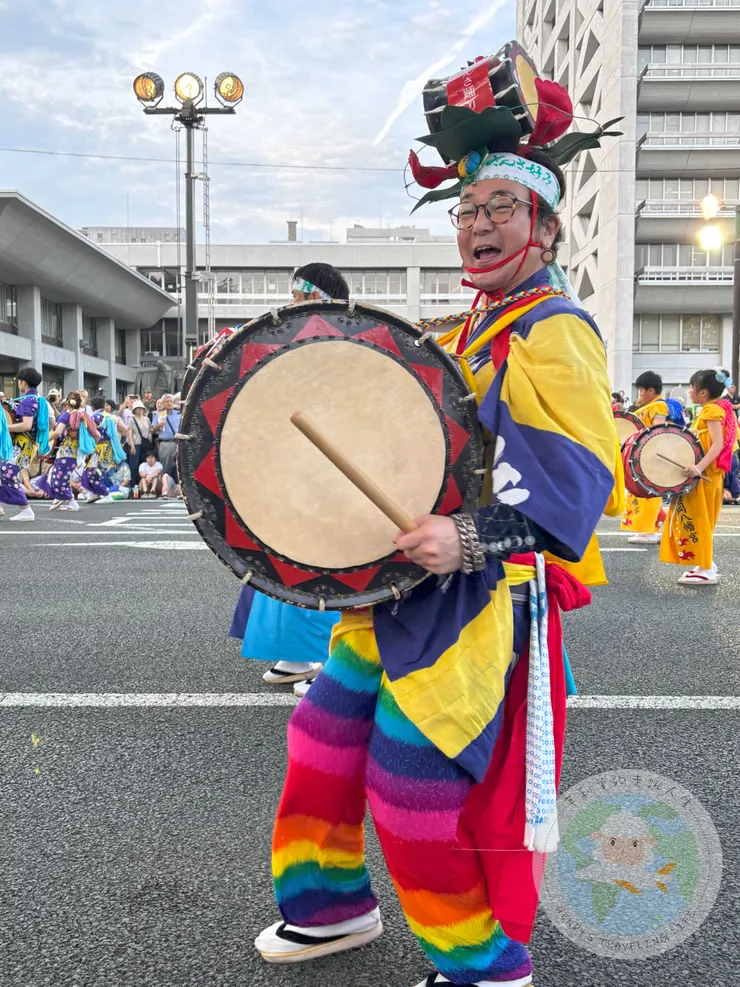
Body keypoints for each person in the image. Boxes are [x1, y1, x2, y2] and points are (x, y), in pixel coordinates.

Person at [254, 65, 622, 987]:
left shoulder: (554, 331)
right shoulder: (465, 328)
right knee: (322, 741)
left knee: (412, 786)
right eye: (466, 208)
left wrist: (467, 539)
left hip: (475, 602)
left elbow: (580, 486)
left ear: (542, 224)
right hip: (395, 590)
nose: (479, 225)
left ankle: (484, 963)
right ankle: (330, 905)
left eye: (502, 206)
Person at [231, 263, 351, 693]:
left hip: (330, 468)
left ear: (317, 297)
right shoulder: (303, 338)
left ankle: (326, 655)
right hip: (298, 464)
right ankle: (298, 653)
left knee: (318, 557)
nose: (290, 303)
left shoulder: (342, 340)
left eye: (298, 296)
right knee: (283, 554)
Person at [660, 369, 737, 585]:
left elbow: (718, 444)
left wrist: (699, 468)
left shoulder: (711, 410)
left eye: (692, 387)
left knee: (699, 520)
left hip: (706, 476)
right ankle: (705, 563)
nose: (690, 391)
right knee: (699, 519)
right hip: (707, 475)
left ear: (703, 392)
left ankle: (706, 567)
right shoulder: (710, 409)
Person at [619, 371, 669, 544]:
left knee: (648, 494)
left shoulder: (659, 406)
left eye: (641, 391)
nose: (639, 394)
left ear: (650, 390)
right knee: (639, 493)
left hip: (651, 455)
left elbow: (658, 431)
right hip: (643, 454)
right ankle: (647, 527)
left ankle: (650, 531)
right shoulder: (650, 406)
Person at [0, 366, 50, 521]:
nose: (18, 385)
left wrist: (4, 427)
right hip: (25, 445)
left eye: (18, 382)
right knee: (5, 472)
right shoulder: (39, 400)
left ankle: (26, 509)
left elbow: (26, 425)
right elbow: (51, 422)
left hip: (22, 445)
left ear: (23, 382)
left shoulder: (28, 401)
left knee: (6, 472)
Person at [40, 392, 99, 511]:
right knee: (63, 478)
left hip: (65, 452)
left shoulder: (66, 416)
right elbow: (97, 435)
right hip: (78, 453)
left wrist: (44, 441)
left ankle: (62, 496)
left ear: (67, 403)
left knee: (56, 478)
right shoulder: (85, 416)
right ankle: (71, 502)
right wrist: (90, 449)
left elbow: (57, 432)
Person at [81, 396, 127, 504]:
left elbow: (90, 434)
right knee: (95, 471)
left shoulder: (94, 418)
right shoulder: (111, 417)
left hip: (99, 448)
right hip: (108, 447)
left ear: (92, 406)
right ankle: (94, 493)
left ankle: (105, 495)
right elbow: (125, 430)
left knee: (93, 472)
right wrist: (120, 443)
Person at [150, 393, 180, 486]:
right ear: (162, 403)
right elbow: (152, 430)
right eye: (167, 401)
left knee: (178, 466)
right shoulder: (159, 415)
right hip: (165, 443)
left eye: (171, 401)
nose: (169, 403)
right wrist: (158, 425)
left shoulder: (179, 413)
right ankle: (166, 488)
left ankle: (178, 488)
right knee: (166, 465)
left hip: (177, 443)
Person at [127, 400, 153, 485]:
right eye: (137, 408)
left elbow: (150, 430)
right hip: (135, 444)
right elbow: (129, 433)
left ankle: (142, 484)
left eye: (141, 408)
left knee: (143, 464)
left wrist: (150, 434)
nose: (139, 410)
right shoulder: (131, 419)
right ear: (134, 410)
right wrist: (132, 446)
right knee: (134, 466)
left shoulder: (147, 419)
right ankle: (133, 485)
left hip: (145, 444)